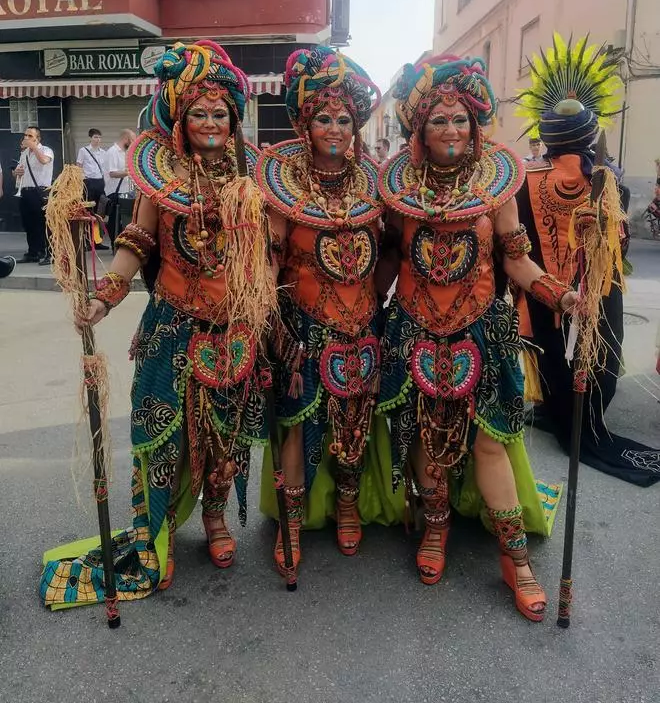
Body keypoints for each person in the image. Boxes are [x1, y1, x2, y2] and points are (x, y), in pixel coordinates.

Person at [41, 40, 278, 608]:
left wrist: (269, 315)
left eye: (220, 113)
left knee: (226, 438)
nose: (211, 123)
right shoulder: (161, 180)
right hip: (172, 326)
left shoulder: (253, 183)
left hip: (235, 334)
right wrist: (103, 298)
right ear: (180, 118)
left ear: (234, 118)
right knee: (163, 438)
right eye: (198, 113)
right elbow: (134, 244)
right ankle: (158, 534)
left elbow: (269, 258)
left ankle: (218, 520)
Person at [377, 54, 577, 621]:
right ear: (419, 129)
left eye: (460, 119)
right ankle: (435, 529)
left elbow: (517, 260)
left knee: (489, 442)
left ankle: (516, 558)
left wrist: (558, 294)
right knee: (423, 436)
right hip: (414, 330)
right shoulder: (398, 189)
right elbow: (388, 261)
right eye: (438, 120)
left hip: (482, 335)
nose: (451, 130)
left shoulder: (497, 184)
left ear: (476, 124)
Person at [256, 46, 397, 578]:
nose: (335, 129)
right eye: (323, 119)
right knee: (295, 426)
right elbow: (268, 260)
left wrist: (372, 298)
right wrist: (268, 317)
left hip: (361, 328)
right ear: (304, 124)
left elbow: (390, 251)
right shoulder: (280, 186)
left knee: (354, 425)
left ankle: (346, 504)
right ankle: (291, 523)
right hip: (302, 330)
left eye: (343, 119)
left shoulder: (375, 184)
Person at [516, 34, 660, 487]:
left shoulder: (524, 179)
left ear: (547, 141)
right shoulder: (607, 181)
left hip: (542, 287)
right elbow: (617, 242)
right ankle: (585, 414)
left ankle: (557, 410)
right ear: (589, 136)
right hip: (593, 286)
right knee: (598, 349)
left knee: (548, 347)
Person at [12, 126, 54, 264]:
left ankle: (50, 253)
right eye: (25, 135)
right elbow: (19, 172)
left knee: (43, 223)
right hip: (25, 191)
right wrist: (15, 173)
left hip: (40, 191)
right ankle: (33, 252)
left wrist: (34, 148)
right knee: (29, 224)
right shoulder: (24, 154)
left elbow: (44, 161)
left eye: (30, 136)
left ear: (38, 139)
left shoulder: (46, 150)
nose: (27, 138)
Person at [76, 128, 108, 250]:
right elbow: (78, 166)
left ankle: (97, 241)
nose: (98, 140)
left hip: (100, 182)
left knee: (99, 213)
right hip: (88, 182)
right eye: (95, 137)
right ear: (90, 138)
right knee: (87, 212)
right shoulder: (83, 151)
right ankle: (87, 241)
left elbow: (105, 169)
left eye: (99, 137)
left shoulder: (103, 153)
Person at [104, 128, 136, 246]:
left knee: (125, 219)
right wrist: (130, 172)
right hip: (115, 192)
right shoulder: (113, 152)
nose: (133, 143)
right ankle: (115, 244)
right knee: (115, 220)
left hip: (125, 191)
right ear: (126, 139)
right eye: (132, 140)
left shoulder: (125, 152)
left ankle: (122, 243)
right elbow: (112, 173)